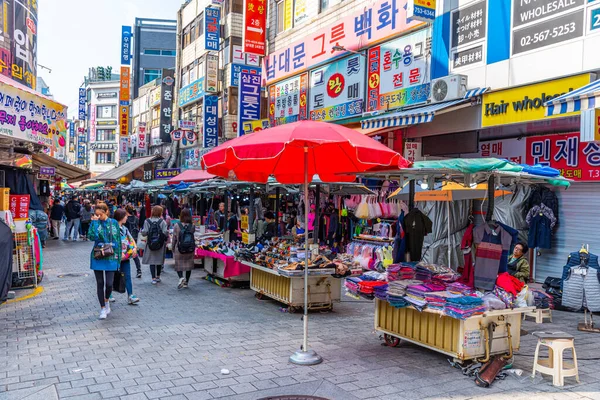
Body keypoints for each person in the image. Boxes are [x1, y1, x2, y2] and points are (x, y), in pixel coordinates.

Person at [87, 202, 121, 320]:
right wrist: (95, 223)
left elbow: (118, 241)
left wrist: (119, 259)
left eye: (99, 215)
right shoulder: (95, 223)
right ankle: (102, 307)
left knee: (109, 283)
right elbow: (92, 237)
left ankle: (107, 301)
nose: (98, 216)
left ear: (106, 212)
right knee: (100, 283)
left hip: (111, 255)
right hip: (97, 255)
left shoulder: (114, 223)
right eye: (96, 214)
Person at [114, 209, 140, 305]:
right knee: (112, 275)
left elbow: (130, 239)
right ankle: (108, 295)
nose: (127, 217)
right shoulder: (112, 228)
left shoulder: (124, 228)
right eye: (125, 216)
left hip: (125, 256)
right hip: (115, 256)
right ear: (121, 217)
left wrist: (134, 248)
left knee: (127, 275)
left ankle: (130, 295)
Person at [141, 205, 168, 284]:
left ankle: (153, 278)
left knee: (152, 261)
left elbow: (144, 232)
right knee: (159, 260)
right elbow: (165, 232)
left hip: (150, 243)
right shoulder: (162, 221)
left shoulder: (147, 221)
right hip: (160, 244)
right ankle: (158, 276)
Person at [172, 208, 196, 289]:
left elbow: (174, 238)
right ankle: (186, 282)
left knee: (178, 265)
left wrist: (173, 248)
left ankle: (181, 278)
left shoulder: (176, 225)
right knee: (189, 265)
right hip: (189, 248)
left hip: (179, 248)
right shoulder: (192, 226)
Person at [125, 205, 143, 278]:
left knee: (124, 253)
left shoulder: (125, 219)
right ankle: (139, 270)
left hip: (127, 238)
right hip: (135, 238)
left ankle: (122, 270)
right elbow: (139, 226)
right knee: (135, 255)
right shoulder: (136, 218)